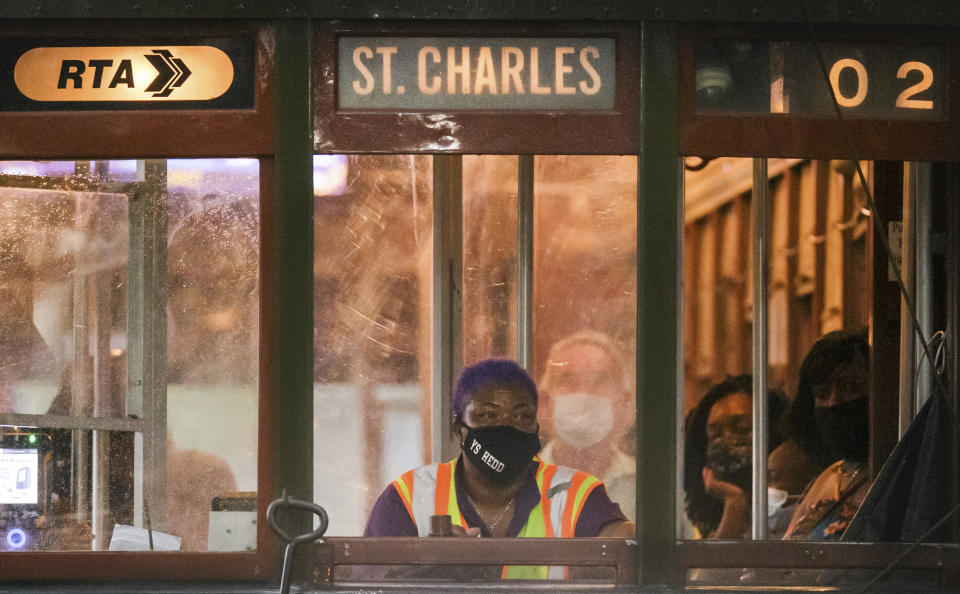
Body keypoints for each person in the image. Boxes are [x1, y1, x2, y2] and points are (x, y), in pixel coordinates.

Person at [364, 358, 633, 580]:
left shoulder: (573, 493)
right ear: (460, 430)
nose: (506, 426)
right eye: (488, 415)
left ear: (535, 429)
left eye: (521, 415)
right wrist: (427, 569)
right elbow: (367, 583)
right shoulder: (409, 498)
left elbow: (629, 548)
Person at [537, 330, 636, 522]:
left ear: (623, 402)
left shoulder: (650, 487)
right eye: (567, 380)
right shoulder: (517, 486)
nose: (583, 394)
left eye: (599, 381)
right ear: (545, 402)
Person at [782, 330, 871, 541]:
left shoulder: (890, 473)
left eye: (850, 388)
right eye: (822, 393)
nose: (833, 402)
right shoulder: (831, 475)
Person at [683, 375, 788, 539]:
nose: (726, 439)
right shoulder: (703, 516)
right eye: (715, 434)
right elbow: (716, 563)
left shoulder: (784, 505)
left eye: (742, 429)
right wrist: (733, 500)